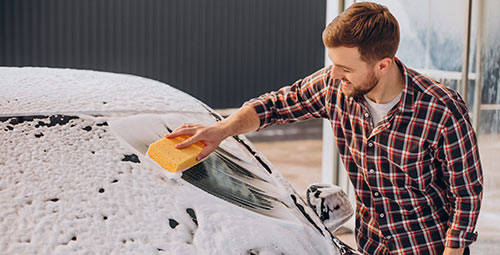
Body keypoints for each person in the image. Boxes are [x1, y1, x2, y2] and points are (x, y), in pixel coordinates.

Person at [167, 2, 483, 255]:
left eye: (345, 68)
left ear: (383, 65)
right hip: (372, 244)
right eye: (332, 63)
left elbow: (466, 195)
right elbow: (274, 105)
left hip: (428, 246)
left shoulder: (441, 109)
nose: (334, 75)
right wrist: (222, 130)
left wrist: (453, 250)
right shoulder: (334, 86)